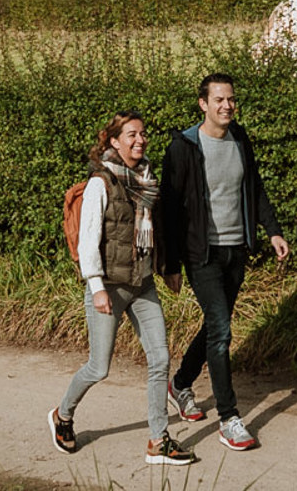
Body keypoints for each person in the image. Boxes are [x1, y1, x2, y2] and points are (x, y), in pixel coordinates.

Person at [50, 111, 198, 466]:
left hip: (142, 283)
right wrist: (97, 288)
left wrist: (166, 269)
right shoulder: (102, 183)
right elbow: (89, 242)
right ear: (114, 142)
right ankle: (63, 416)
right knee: (99, 367)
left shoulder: (146, 179)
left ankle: (157, 441)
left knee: (160, 358)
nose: (140, 140)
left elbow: (154, 230)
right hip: (110, 288)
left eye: (143, 134)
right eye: (131, 135)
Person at [157, 73, 290, 451]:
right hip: (202, 254)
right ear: (203, 104)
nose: (227, 106)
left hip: (236, 250)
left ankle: (181, 384)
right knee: (222, 330)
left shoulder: (240, 138)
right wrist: (169, 265)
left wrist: (273, 230)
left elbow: (255, 186)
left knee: (218, 326)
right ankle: (229, 417)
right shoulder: (184, 146)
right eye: (219, 100)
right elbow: (168, 208)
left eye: (231, 99)